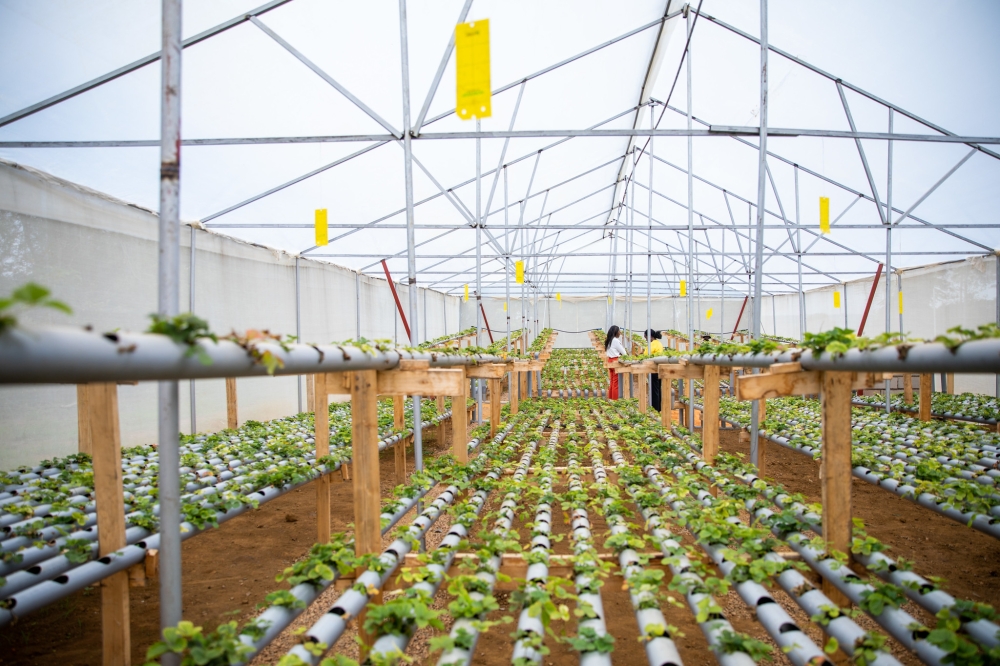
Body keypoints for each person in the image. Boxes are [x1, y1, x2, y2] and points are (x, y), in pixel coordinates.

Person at [604, 325, 627, 399]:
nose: (620, 333)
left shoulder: (608, 340)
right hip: (616, 362)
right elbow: (624, 353)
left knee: (612, 382)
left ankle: (611, 399)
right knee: (616, 383)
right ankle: (615, 400)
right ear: (616, 332)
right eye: (619, 331)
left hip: (610, 361)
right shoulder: (616, 341)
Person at [644, 329, 664, 411]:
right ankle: (658, 408)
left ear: (649, 336)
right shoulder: (658, 343)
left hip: (653, 369)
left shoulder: (652, 345)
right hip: (659, 369)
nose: (645, 339)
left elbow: (646, 355)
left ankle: (655, 409)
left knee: (654, 390)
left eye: (645, 337)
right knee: (658, 389)